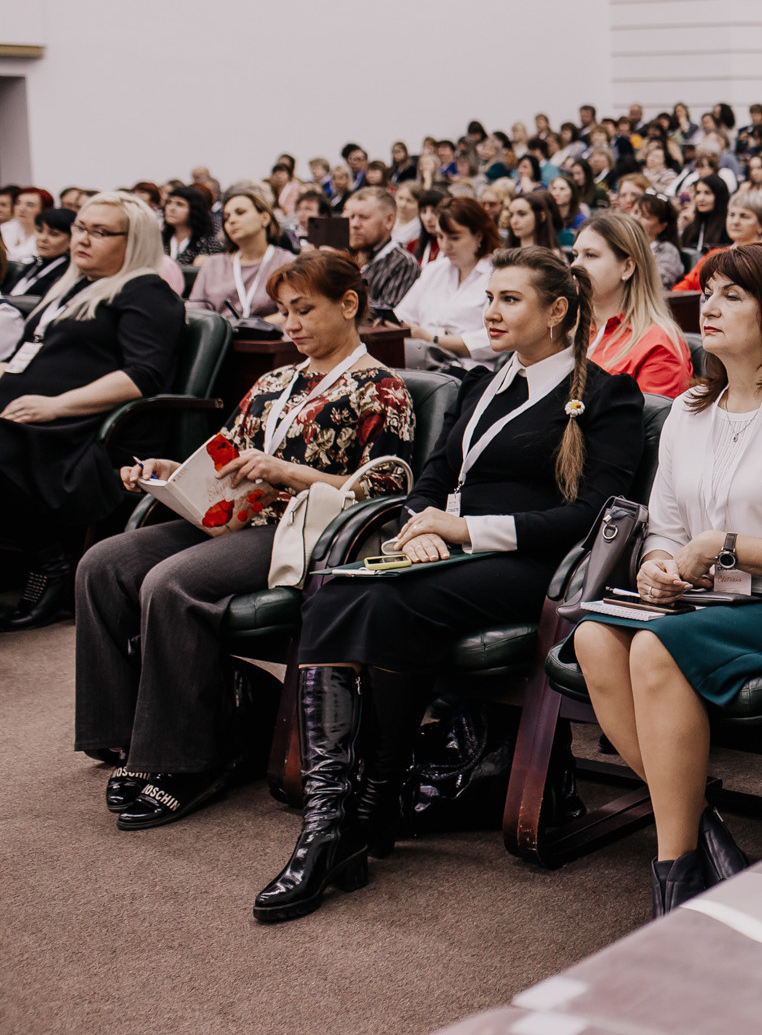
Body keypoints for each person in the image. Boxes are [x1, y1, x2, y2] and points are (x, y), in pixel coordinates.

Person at [256, 249, 644, 922]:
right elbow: (432, 476)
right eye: (489, 297)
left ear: (557, 311)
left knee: (381, 598)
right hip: (447, 555)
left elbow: (590, 515)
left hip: (533, 566)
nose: (491, 311)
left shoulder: (609, 394)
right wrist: (419, 527)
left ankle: (353, 819)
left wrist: (467, 532)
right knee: (334, 585)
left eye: (510, 300)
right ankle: (335, 820)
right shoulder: (482, 382)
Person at [573, 243, 762, 914]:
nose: (710, 305)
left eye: (734, 295)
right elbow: (667, 532)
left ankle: (672, 874)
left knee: (650, 647)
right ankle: (702, 827)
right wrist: (656, 568)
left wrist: (726, 547)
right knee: (594, 638)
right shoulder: (690, 411)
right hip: (702, 607)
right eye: (709, 292)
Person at [75, 251, 416, 824]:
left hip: (297, 529)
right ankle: (126, 739)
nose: (292, 325)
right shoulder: (274, 380)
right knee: (101, 563)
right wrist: (168, 470)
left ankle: (187, 761)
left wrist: (289, 472)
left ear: (349, 304)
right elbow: (225, 456)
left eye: (304, 310)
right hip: (232, 516)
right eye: (284, 312)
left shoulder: (381, 389)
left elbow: (384, 491)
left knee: (170, 583)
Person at [0, 192, 187, 630]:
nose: (82, 239)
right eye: (81, 227)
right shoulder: (71, 285)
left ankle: (51, 561)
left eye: (100, 232)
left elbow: (143, 376)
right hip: (31, 418)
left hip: (75, 433)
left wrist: (54, 406)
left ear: (134, 240)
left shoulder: (146, 290)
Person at [570, 214, 693, 399]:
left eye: (590, 255)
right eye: (575, 255)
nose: (576, 265)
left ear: (627, 267)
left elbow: (645, 425)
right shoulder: (565, 327)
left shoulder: (658, 347)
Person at [394, 195, 499, 369]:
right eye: (440, 237)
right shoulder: (434, 270)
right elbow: (402, 317)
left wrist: (433, 339)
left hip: (468, 370)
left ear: (479, 236)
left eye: (454, 238)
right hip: (420, 362)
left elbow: (493, 341)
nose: (444, 246)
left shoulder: (497, 275)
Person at [186, 183, 296, 326]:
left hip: (269, 343)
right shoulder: (213, 264)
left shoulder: (287, 263)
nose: (231, 220)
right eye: (226, 217)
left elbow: (294, 313)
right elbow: (193, 312)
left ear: (265, 218)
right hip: (221, 343)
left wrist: (249, 326)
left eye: (240, 212)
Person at [342, 187, 419, 313]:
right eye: (351, 217)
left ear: (389, 220)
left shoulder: (403, 264)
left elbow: (386, 319)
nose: (354, 224)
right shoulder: (344, 256)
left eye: (364, 217)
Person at [5, 205, 73, 299]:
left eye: (54, 234)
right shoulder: (35, 264)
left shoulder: (67, 272)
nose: (43, 238)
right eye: (40, 231)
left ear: (71, 239)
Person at [160, 185, 221, 265]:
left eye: (180, 204)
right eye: (169, 202)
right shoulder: (159, 239)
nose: (171, 208)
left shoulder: (208, 243)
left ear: (194, 210)